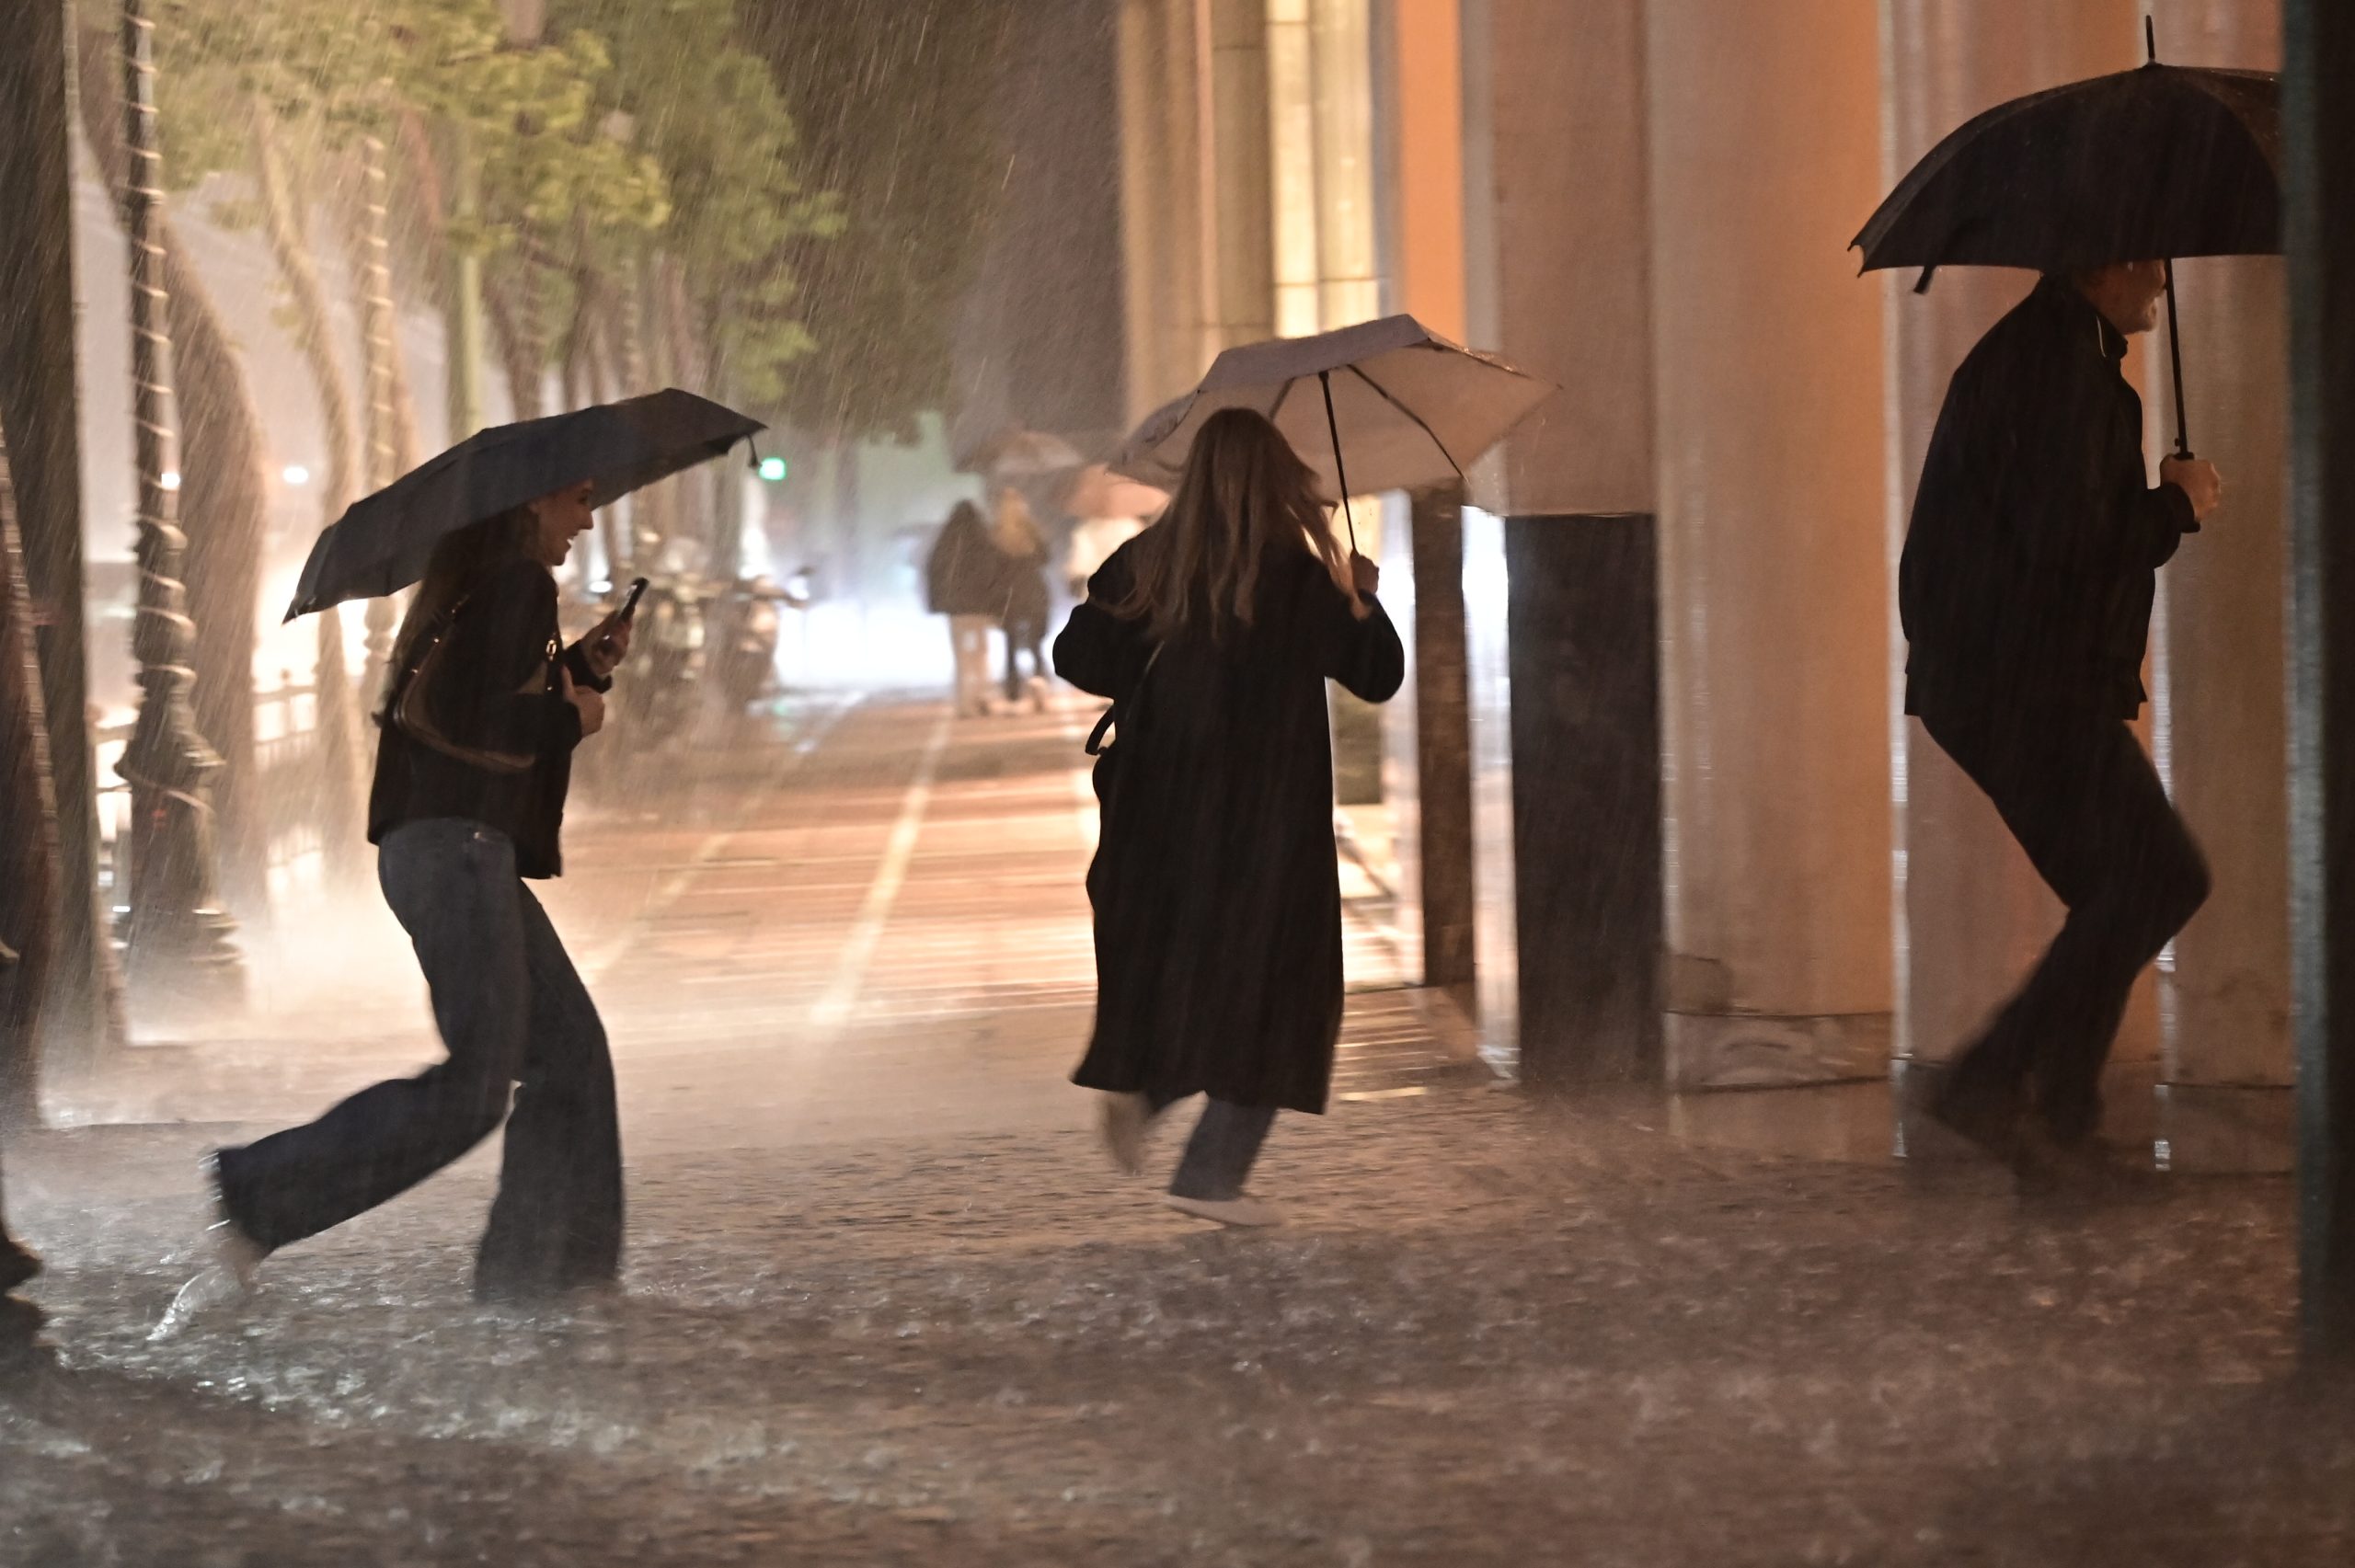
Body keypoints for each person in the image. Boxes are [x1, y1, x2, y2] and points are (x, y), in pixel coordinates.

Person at [160, 483, 633, 1328]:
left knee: (571, 1052)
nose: (586, 520)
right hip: (459, 852)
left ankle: (550, 1272)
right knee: (477, 1087)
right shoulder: (520, 583)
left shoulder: (473, 584)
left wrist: (580, 670)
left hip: (440, 849)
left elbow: (475, 699)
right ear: (529, 502)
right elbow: (477, 716)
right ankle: (261, 1193)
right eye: (577, 501)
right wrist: (576, 718)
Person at [1901, 260, 2223, 1190]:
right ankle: (1993, 1083)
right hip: (2020, 677)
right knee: (2158, 878)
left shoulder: (2059, 358)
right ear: (2101, 266)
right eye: (2148, 260)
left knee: (2124, 894)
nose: (2161, 280)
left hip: (2009, 674)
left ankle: (2059, 1125)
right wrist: (2177, 503)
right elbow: (2072, 543)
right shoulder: (2053, 369)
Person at [1054, 407, 1403, 1227]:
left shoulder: (1147, 561)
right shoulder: (1297, 577)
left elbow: (1078, 658)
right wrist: (1361, 602)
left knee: (1192, 967)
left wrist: (1142, 647)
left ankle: (1149, 1090)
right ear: (1278, 480)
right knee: (1276, 987)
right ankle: (1210, 1174)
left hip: (1163, 813)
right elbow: (1378, 677)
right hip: (1268, 823)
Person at [925, 499, 1002, 718]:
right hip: (980, 606)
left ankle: (963, 702)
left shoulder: (946, 541)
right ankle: (982, 695)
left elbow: (935, 571)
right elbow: (994, 573)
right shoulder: (983, 540)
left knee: (961, 656)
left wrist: (938, 602)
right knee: (981, 652)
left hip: (956, 608)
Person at [991, 488, 1052, 711]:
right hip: (1034, 591)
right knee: (1035, 644)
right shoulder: (1032, 531)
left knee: (1010, 645)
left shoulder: (996, 534)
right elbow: (1046, 558)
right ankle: (1039, 685)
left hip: (1009, 595)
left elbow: (993, 569)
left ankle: (1013, 692)